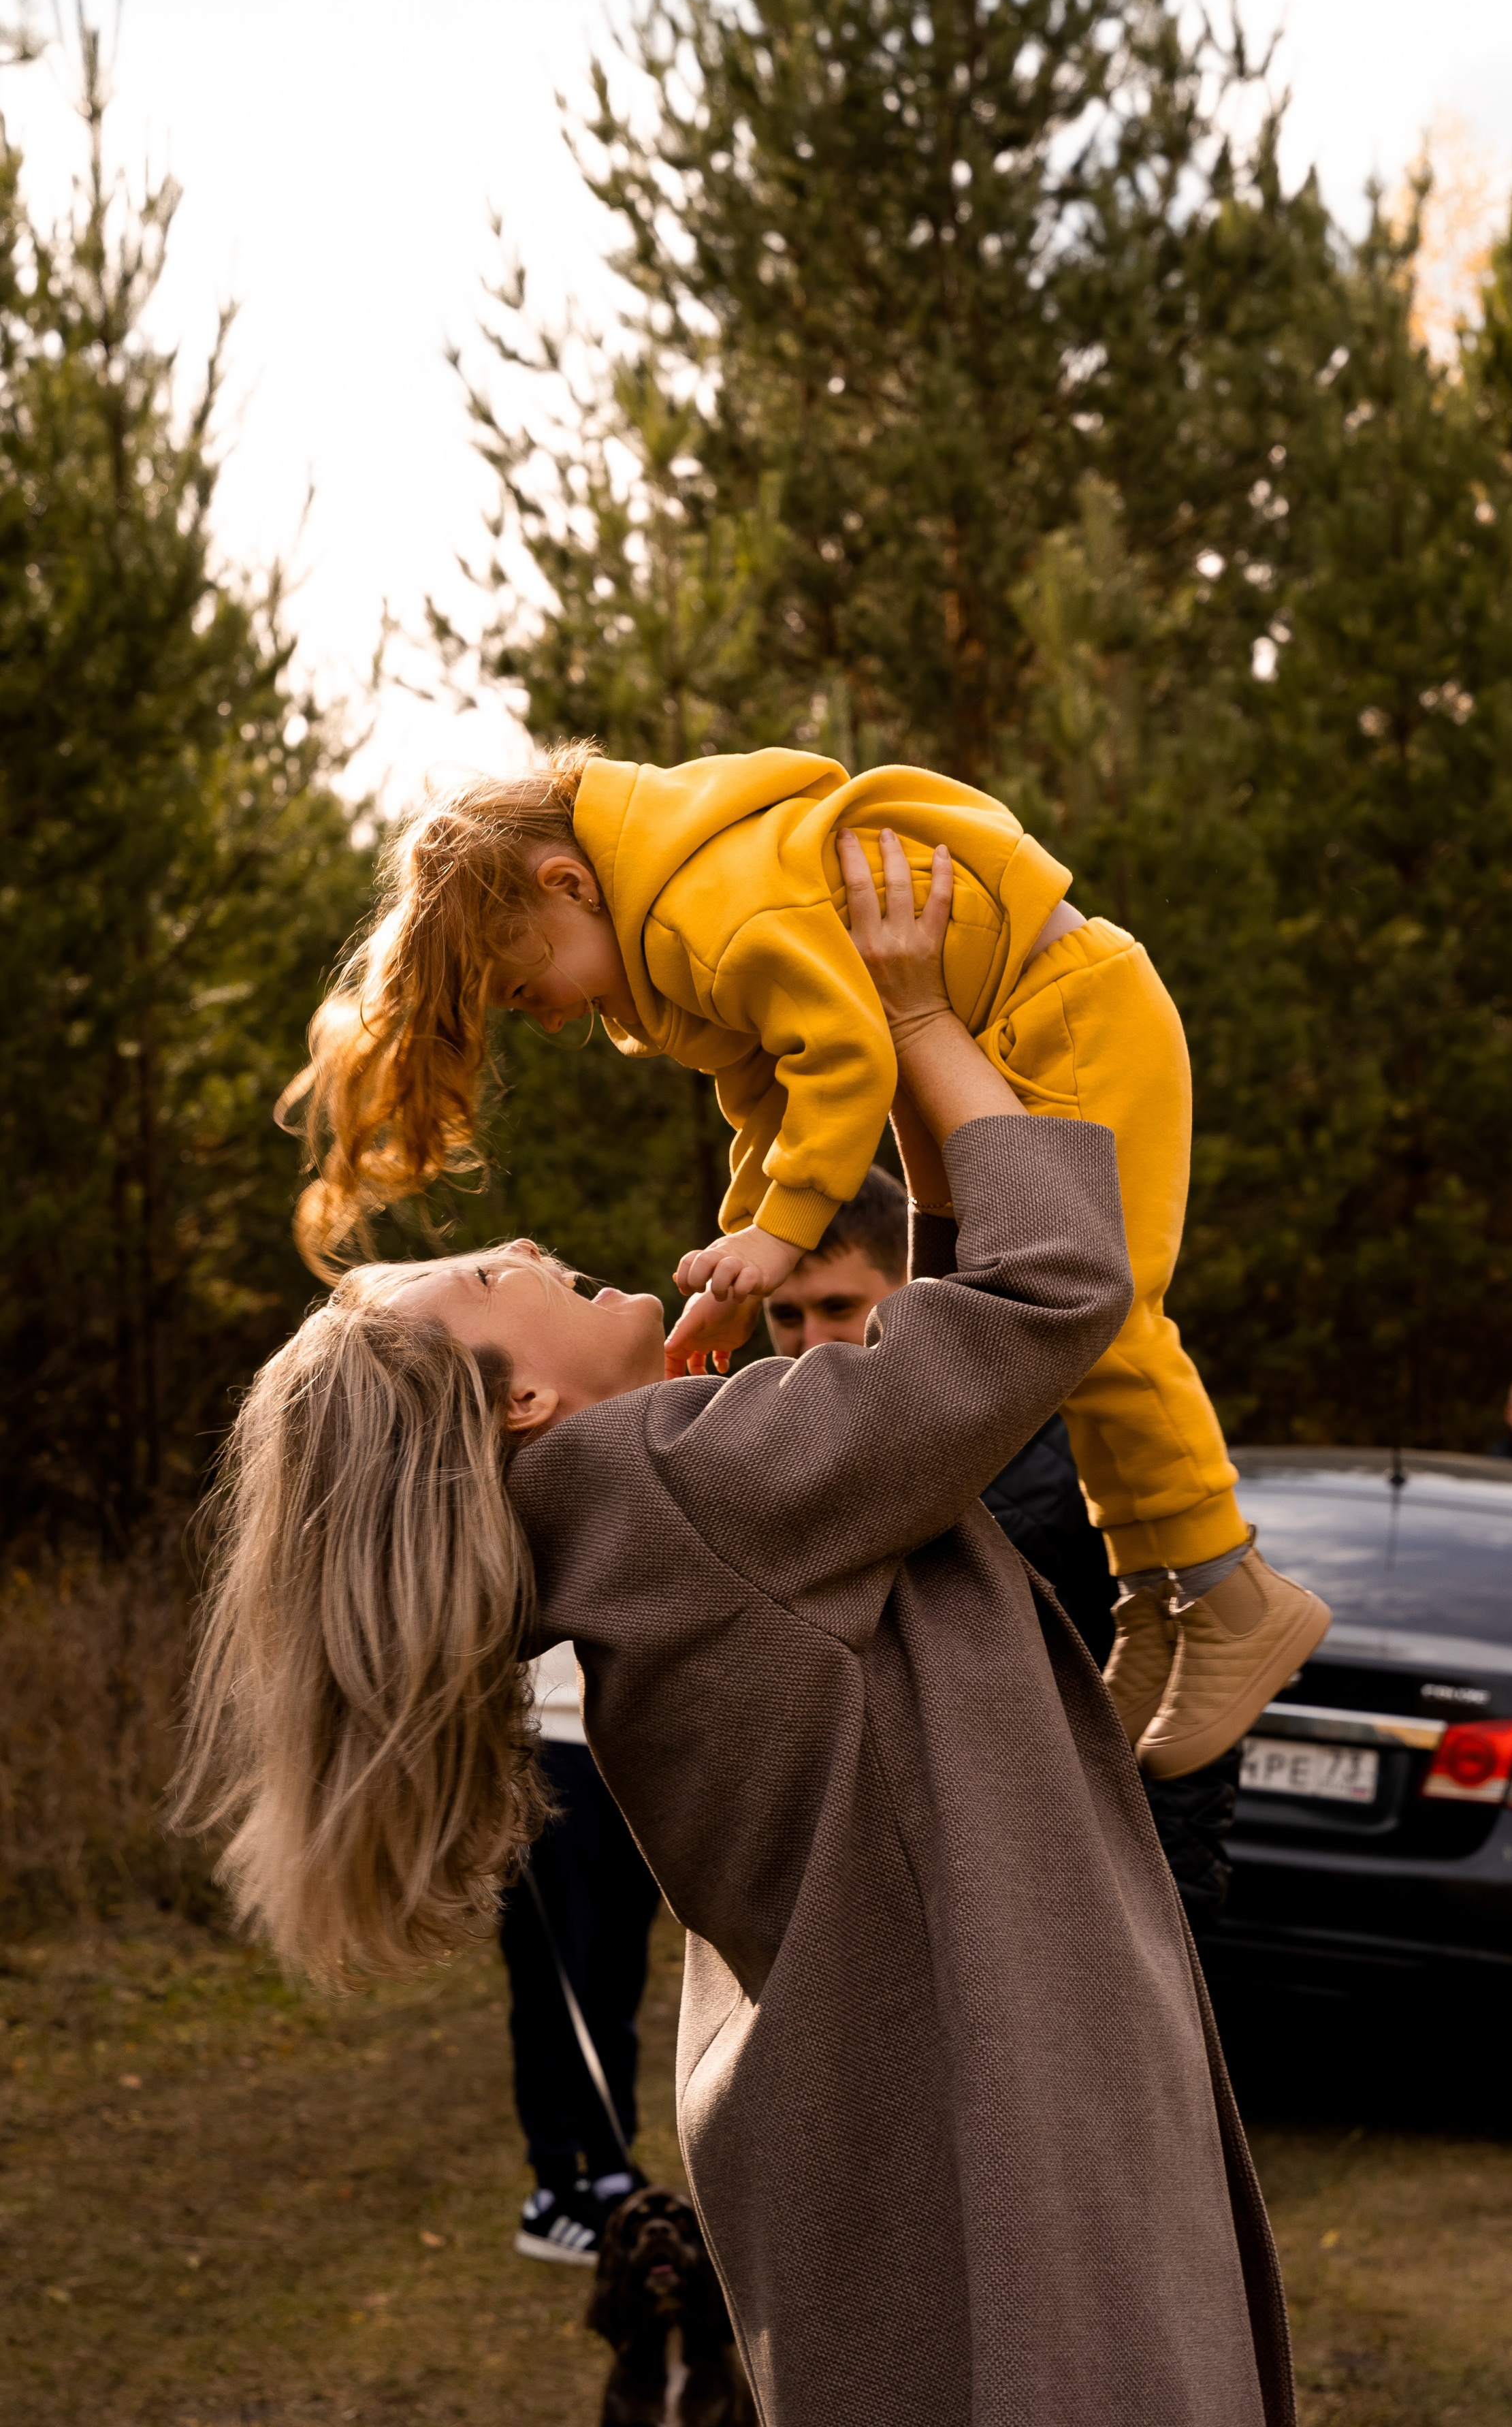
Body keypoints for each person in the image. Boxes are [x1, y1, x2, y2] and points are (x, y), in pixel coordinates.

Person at [176, 841, 1295, 2427]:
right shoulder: (676, 1482)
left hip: (903, 2124)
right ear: (521, 1401)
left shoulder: (626, 1532)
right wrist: (915, 1016)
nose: (533, 1251)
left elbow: (959, 1339)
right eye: (506, 1275)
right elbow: (1052, 1287)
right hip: (999, 2124)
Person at [281, 742, 1327, 1777]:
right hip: (1007, 1026)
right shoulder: (675, 930)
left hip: (1063, 1011)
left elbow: (846, 1057)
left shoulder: (713, 911)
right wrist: (755, 1257)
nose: (547, 1017)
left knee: (1109, 1322)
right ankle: (1155, 1594)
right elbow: (765, 1096)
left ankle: (1230, 1588)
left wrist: (782, 1234)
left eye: (526, 988)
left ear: (568, 885)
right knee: (1085, 1348)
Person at [765, 1163, 1242, 1937]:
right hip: (878, 1905)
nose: (812, 1341)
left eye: (838, 1306)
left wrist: (1163, 1908)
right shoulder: (780, 1460)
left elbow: (1186, 1681)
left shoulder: (1071, 1450)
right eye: (786, 1314)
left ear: (912, 1287)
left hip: (1062, 1894)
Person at [499, 1643, 660, 2263]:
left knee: (617, 1978)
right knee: (552, 1981)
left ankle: (613, 2167)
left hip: (631, 1739)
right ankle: (556, 2190)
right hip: (542, 1746)